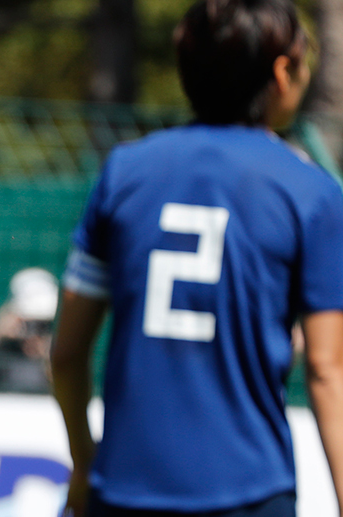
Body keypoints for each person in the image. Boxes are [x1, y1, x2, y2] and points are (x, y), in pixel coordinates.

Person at [50, 1, 343, 516]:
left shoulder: (125, 170)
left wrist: (83, 461)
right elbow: (327, 369)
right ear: (282, 72)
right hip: (250, 490)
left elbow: (68, 352)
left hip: (123, 488)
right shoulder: (310, 192)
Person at [0, 267, 58, 393]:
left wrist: (47, 355)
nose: (36, 329)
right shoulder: (2, 345)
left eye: (43, 324)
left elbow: (63, 381)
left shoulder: (53, 347)